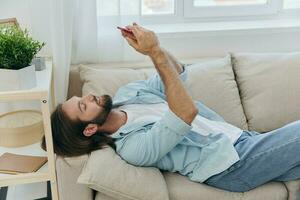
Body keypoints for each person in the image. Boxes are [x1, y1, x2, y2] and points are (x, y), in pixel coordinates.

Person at [43, 23, 300, 193]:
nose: (88, 98)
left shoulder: (128, 95)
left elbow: (176, 73)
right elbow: (185, 113)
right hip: (232, 163)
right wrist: (153, 53)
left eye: (82, 97)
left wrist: (154, 49)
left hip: (245, 140)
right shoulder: (133, 148)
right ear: (89, 129)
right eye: (82, 105)